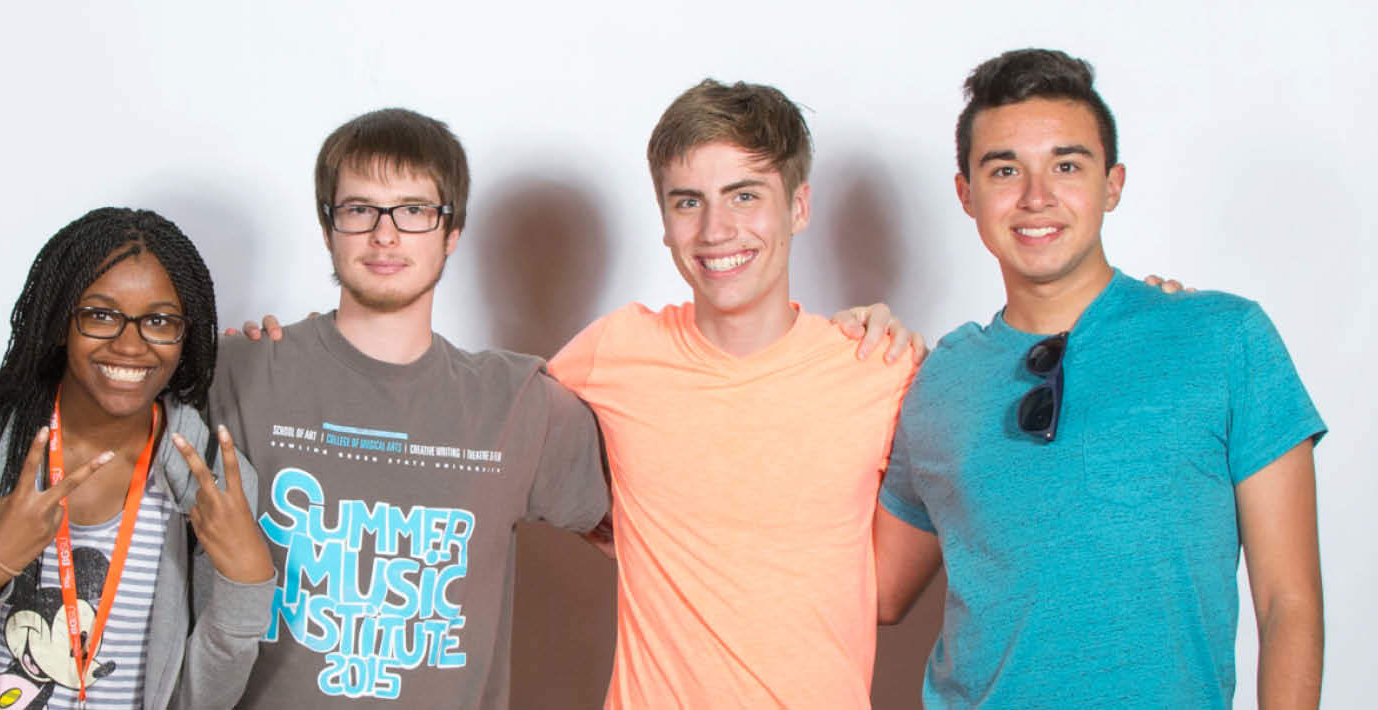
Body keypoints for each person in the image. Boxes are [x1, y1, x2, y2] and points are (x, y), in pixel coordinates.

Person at [0, 109, 613, 708]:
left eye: (415, 211)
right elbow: (99, 380)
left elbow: (653, 520)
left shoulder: (519, 404)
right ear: (328, 226)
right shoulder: (236, 369)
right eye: (360, 209)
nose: (386, 234)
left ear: (452, 231)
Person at [875, 49, 1326, 708]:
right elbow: (879, 593)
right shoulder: (937, 379)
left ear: (1113, 184)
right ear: (966, 194)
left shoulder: (1225, 339)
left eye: (1066, 165)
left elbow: (1289, 604)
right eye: (1005, 169)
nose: (1036, 196)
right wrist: (829, 352)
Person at [541, 79, 922, 708]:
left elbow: (888, 592)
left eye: (744, 196)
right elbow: (503, 444)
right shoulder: (616, 349)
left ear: (799, 207)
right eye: (688, 202)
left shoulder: (880, 365)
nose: (716, 230)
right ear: (665, 223)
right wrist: (612, 522)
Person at [0, 208, 275, 710]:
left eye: (159, 321)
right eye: (101, 315)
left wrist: (246, 590)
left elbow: (203, 703)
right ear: (62, 322)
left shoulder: (212, 482)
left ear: (185, 334)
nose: (130, 345)